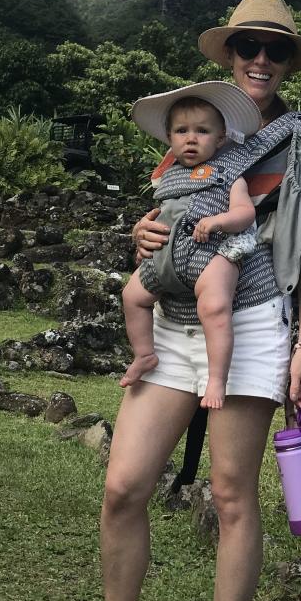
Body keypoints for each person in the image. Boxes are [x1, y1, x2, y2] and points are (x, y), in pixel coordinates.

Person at [39, 0, 301, 601]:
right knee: (124, 485)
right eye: (248, 46)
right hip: (176, 323)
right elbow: (167, 217)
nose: (260, 60)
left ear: (290, 62)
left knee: (234, 493)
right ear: (230, 53)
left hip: (255, 326)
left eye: (275, 49)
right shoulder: (197, 128)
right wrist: (142, 237)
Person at [120, 82, 263, 410]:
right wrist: (142, 230)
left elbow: (245, 213)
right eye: (182, 131)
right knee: (132, 297)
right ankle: (144, 354)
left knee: (214, 307)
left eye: (202, 131)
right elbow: (155, 216)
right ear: (170, 139)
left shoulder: (229, 175)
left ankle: (216, 377)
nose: (191, 138)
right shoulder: (164, 178)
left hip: (210, 253)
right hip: (166, 255)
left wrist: (219, 221)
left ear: (220, 138)